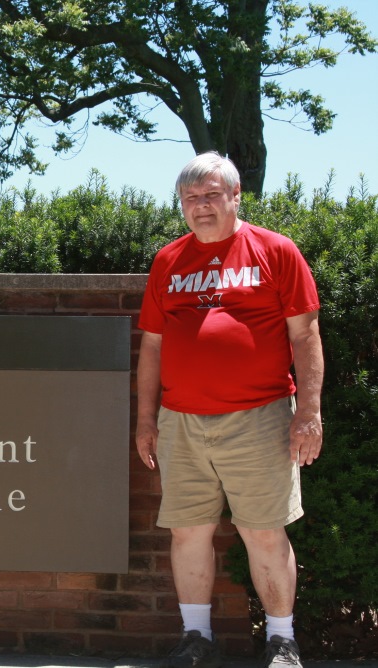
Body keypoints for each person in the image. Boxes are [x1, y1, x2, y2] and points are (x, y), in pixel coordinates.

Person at [135, 152, 324, 668]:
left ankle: (282, 642)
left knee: (263, 530)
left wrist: (308, 413)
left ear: (236, 197)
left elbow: (305, 334)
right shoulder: (168, 261)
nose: (201, 206)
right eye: (191, 198)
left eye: (212, 195)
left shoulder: (276, 251)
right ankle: (196, 639)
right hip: (181, 420)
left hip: (259, 415)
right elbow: (152, 344)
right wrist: (146, 418)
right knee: (187, 530)